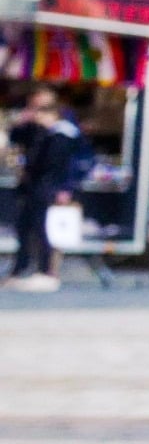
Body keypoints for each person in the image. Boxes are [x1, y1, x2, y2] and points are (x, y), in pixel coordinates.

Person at [6, 87, 83, 292]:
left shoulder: (63, 134)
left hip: (47, 189)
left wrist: (65, 188)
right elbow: (17, 137)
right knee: (25, 227)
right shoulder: (39, 131)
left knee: (42, 229)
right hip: (34, 188)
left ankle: (46, 271)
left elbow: (64, 165)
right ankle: (22, 268)